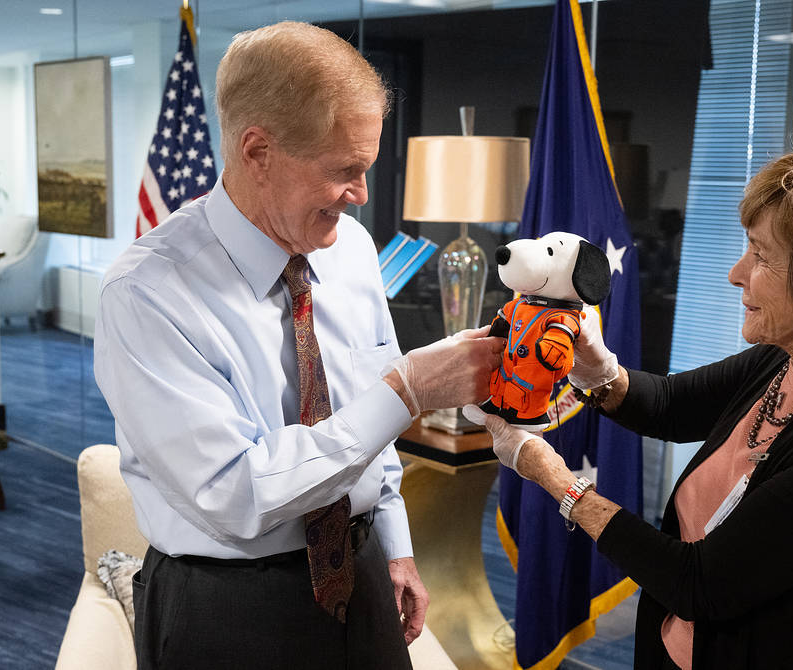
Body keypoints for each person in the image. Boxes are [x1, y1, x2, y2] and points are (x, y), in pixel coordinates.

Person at [94, 21, 503, 669]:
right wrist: (412, 389)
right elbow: (239, 496)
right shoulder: (146, 293)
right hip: (227, 607)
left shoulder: (354, 250)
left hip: (363, 569)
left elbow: (368, 423)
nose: (361, 194)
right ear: (257, 152)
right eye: (345, 170)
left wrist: (394, 544)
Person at [474, 126, 793, 669]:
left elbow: (698, 582)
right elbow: (673, 405)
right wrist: (596, 368)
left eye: (761, 257)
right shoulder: (787, 356)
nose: (735, 274)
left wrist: (553, 478)